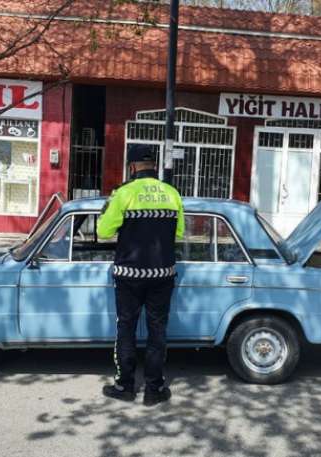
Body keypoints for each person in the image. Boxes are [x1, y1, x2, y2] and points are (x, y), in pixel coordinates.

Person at [96, 144, 184, 407]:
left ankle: (125, 386)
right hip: (163, 273)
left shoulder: (123, 193)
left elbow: (103, 232)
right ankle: (154, 389)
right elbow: (179, 234)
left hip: (129, 275)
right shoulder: (172, 193)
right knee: (157, 329)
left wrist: (109, 211)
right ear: (154, 166)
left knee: (126, 327)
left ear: (132, 167)